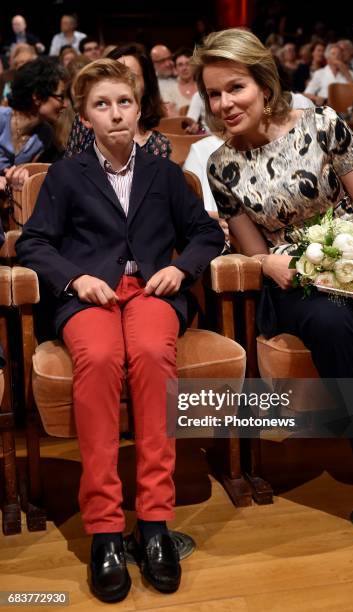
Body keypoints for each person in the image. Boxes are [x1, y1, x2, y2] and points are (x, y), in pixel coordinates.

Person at [192, 28, 353, 544]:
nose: (224, 103)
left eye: (235, 88)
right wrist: (268, 262)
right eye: (213, 93)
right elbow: (253, 247)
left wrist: (346, 254)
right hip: (299, 280)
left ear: (263, 85)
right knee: (334, 327)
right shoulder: (221, 165)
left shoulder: (321, 124)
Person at [15, 58, 224, 603]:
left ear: (138, 108)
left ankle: (154, 524)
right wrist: (75, 278)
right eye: (101, 105)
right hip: (90, 295)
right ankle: (105, 529)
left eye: (124, 102)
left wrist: (183, 268)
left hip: (152, 291)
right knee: (102, 360)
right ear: (84, 116)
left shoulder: (164, 171)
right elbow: (33, 243)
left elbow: (205, 232)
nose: (115, 114)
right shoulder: (65, 173)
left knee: (154, 355)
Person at [65, 43, 171, 159]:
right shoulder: (85, 124)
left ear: (147, 84)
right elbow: (70, 170)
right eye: (113, 76)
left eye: (131, 77)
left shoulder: (159, 144)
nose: (122, 83)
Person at [0, 57, 67, 175]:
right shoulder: (2, 118)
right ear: (37, 97)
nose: (65, 105)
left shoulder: (45, 134)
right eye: (60, 97)